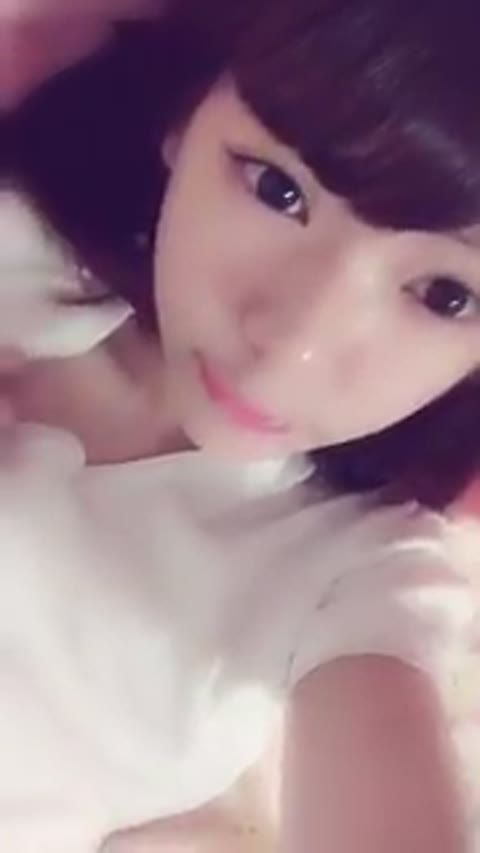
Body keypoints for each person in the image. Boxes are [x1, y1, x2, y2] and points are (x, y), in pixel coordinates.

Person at [3, 1, 480, 850]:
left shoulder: (358, 571)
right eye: (277, 189)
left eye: (444, 295)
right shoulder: (19, 246)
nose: (290, 346)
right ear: (186, 115)